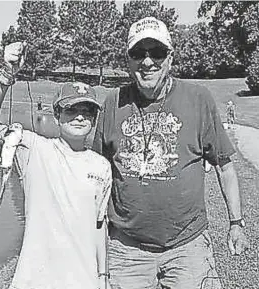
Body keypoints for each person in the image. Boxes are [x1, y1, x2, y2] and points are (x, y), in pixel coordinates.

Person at [93, 17, 249, 289]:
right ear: (128, 60)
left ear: (170, 57)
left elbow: (225, 167)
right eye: (138, 53)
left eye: (157, 52)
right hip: (126, 250)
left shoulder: (198, 99)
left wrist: (236, 222)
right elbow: (95, 174)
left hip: (188, 247)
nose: (148, 61)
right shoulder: (112, 104)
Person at [0, 42, 112, 289]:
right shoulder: (33, 148)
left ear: (95, 117)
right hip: (33, 281)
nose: (80, 116)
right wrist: (7, 75)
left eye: (88, 110)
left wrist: (103, 277)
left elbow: (99, 225)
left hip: (84, 281)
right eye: (72, 110)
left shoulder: (102, 166)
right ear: (57, 115)